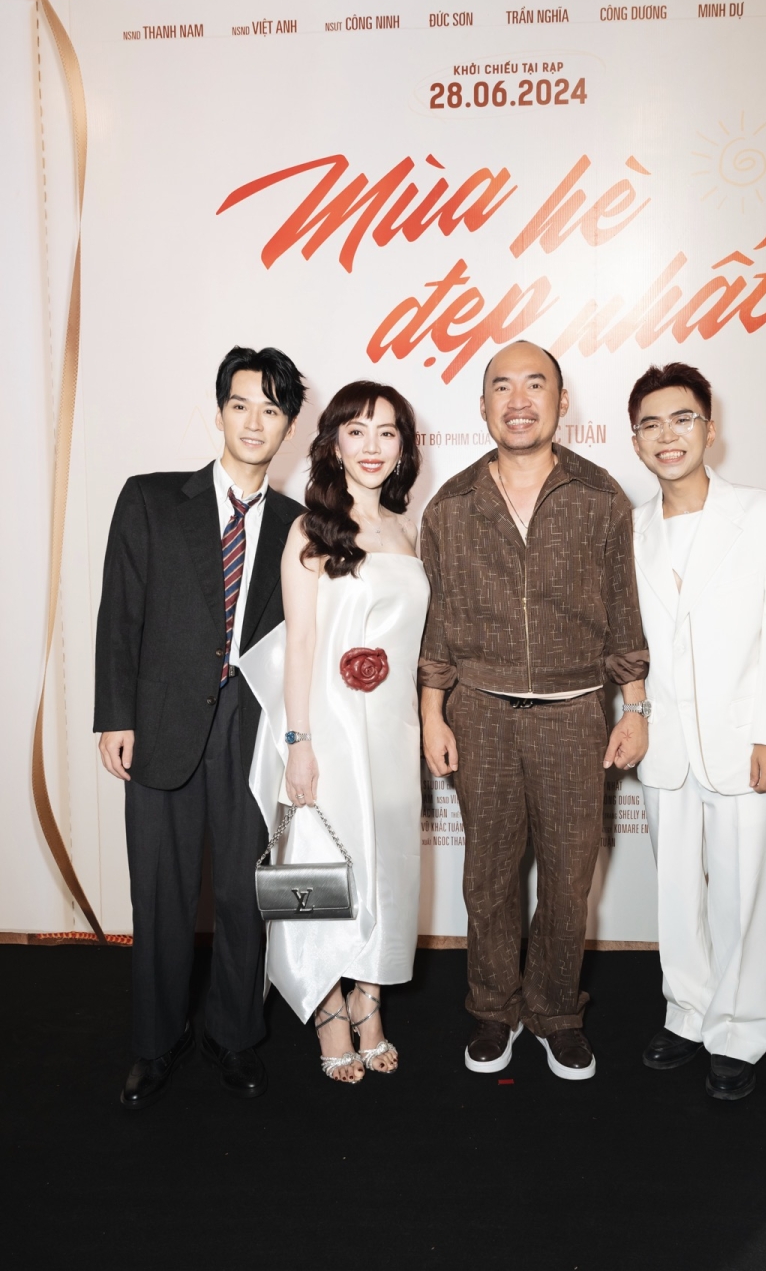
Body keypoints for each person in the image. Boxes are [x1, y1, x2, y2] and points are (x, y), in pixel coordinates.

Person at [419, 340, 650, 1081]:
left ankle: (556, 1012)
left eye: (535, 384)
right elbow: (437, 624)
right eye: (502, 387)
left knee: (567, 876)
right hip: (479, 713)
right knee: (486, 877)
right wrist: (432, 713)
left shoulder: (600, 496)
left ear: (561, 401)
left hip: (575, 714)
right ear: (483, 405)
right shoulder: (450, 505)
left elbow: (624, 613)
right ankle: (493, 1009)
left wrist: (636, 706)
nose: (518, 401)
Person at [94, 346, 306, 1109]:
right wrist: (115, 716)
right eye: (241, 404)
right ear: (219, 412)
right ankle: (155, 1042)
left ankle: (233, 1033)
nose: (254, 422)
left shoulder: (298, 526)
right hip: (159, 725)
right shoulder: (151, 499)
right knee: (160, 894)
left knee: (247, 896)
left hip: (252, 730)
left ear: (288, 426)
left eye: (271, 410)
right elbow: (119, 614)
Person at [628, 362, 766, 1100]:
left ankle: (739, 1028)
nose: (667, 436)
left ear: (711, 427)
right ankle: (688, 1011)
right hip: (664, 745)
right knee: (675, 892)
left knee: (745, 894)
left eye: (682, 419)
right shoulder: (630, 529)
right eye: (650, 424)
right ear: (635, 440)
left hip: (745, 741)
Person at [240, 382, 428, 1084]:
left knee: (386, 866)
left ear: (403, 448)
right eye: (357, 431)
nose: (372, 446)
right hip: (328, 726)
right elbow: (301, 642)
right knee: (319, 867)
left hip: (393, 730)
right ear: (334, 445)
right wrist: (299, 742)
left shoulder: (407, 530)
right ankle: (326, 1009)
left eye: (387, 433)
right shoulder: (311, 530)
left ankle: (369, 1003)